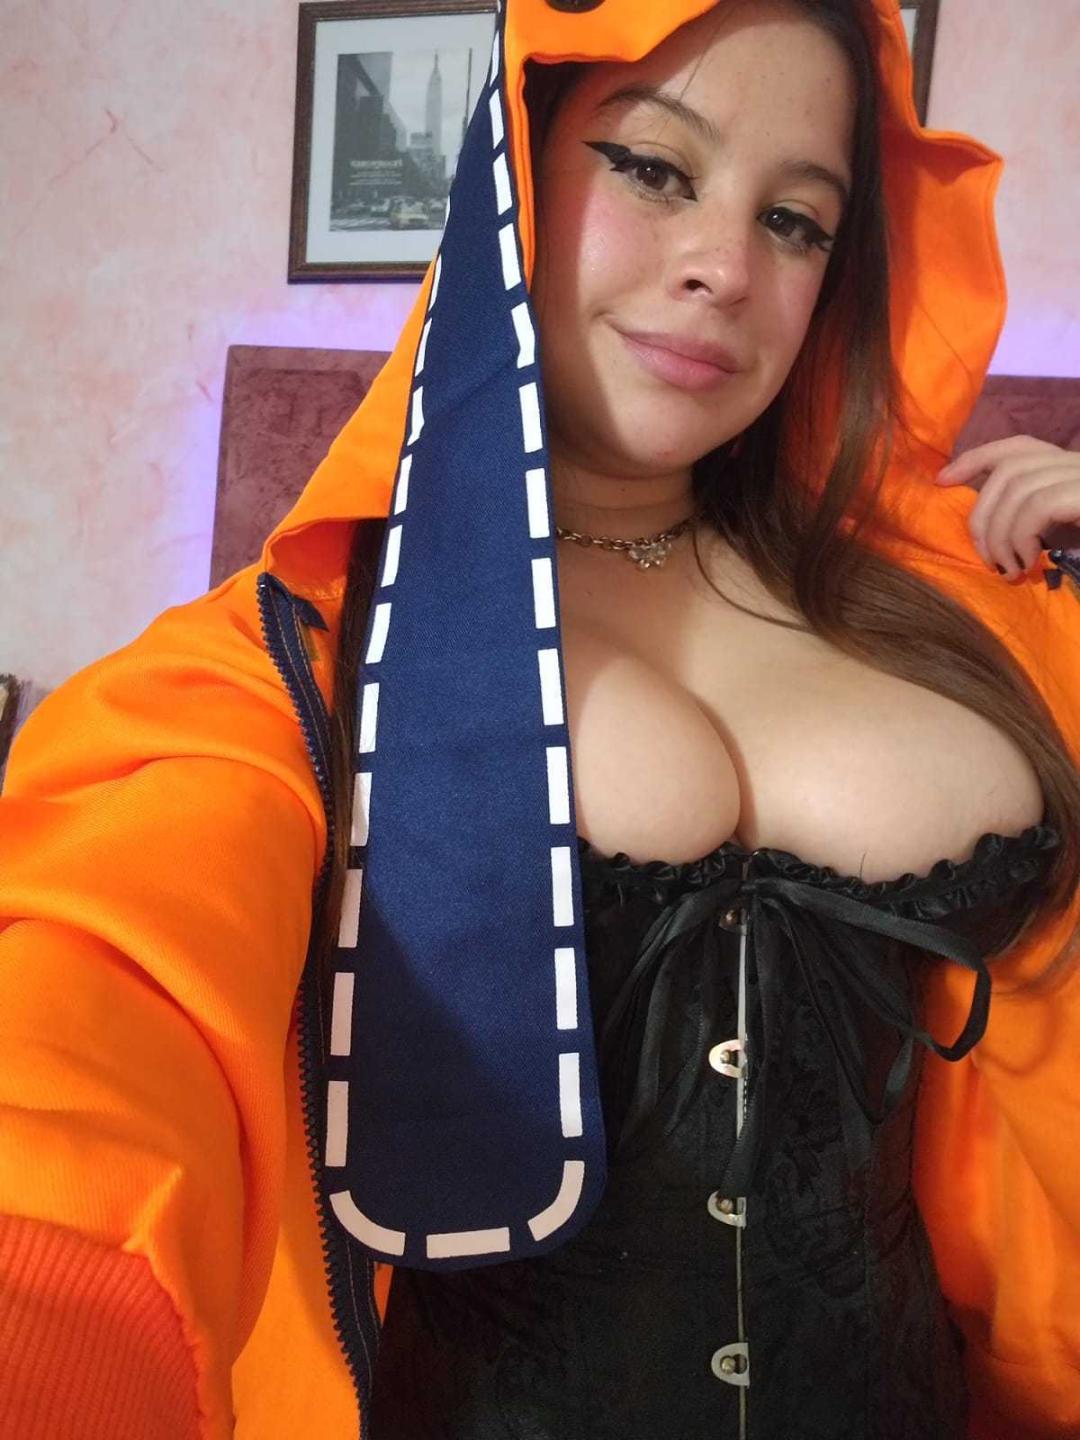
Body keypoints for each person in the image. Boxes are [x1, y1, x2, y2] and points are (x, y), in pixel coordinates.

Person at [1, 0, 1079, 1437]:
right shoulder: (304, 659)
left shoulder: (955, 607)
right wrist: (49, 1305)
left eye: (795, 222)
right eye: (654, 168)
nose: (724, 267)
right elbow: (99, 1002)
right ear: (513, 175)